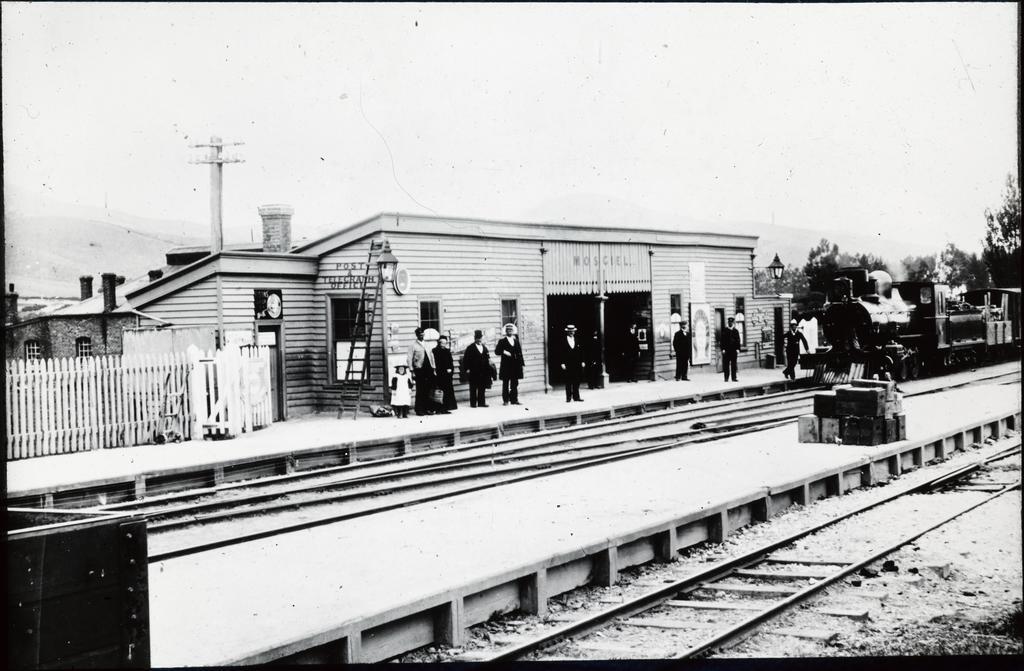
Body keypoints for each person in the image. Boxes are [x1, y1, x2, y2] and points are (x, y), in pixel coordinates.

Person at [407, 327, 436, 416]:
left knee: (428, 389)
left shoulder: (427, 344)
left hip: (429, 369)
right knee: (420, 390)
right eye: (419, 334)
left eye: (422, 334)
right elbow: (409, 358)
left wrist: (434, 368)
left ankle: (428, 408)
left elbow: (431, 356)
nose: (421, 336)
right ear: (417, 335)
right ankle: (419, 409)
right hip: (419, 369)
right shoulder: (413, 345)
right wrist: (412, 370)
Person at [494, 323, 524, 405]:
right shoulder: (502, 341)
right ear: (506, 331)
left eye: (511, 330)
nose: (509, 331)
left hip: (515, 366)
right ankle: (506, 400)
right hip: (506, 366)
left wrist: (521, 364)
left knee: (514, 383)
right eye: (508, 330)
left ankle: (514, 399)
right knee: (506, 383)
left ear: (513, 331)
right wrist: (504, 352)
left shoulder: (516, 341)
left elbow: (520, 353)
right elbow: (497, 351)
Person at [461, 329, 491, 408]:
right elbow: (466, 359)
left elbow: (487, 358)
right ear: (475, 339)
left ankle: (481, 402)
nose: (479, 340)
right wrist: (467, 369)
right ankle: (473, 403)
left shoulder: (484, 347)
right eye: (477, 338)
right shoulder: (470, 348)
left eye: (480, 338)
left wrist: (488, 368)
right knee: (473, 387)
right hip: (473, 371)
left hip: (483, 371)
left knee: (482, 387)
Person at [558, 324, 586, 402]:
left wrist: (582, 361)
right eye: (570, 331)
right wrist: (562, 363)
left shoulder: (577, 340)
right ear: (567, 332)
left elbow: (581, 351)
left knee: (576, 380)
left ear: (574, 332)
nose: (571, 332)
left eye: (572, 331)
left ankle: (576, 397)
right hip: (567, 363)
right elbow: (560, 353)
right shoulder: (563, 341)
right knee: (568, 381)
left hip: (577, 363)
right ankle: (568, 397)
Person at [432, 335, 457, 412]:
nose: (443, 344)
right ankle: (439, 408)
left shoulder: (447, 351)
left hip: (447, 375)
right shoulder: (435, 351)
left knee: (447, 392)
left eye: (445, 343)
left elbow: (450, 362)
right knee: (439, 391)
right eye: (442, 342)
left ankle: (446, 408)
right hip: (439, 374)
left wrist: (451, 369)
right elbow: (434, 363)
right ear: (439, 342)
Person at [721, 316, 741, 382]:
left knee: (734, 365)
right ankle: (726, 378)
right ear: (728, 323)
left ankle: (734, 378)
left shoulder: (736, 331)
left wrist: (738, 349)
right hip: (726, 351)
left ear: (733, 323)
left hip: (733, 350)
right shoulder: (725, 330)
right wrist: (723, 349)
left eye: (731, 322)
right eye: (729, 322)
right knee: (726, 365)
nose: (730, 323)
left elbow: (738, 340)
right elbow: (722, 340)